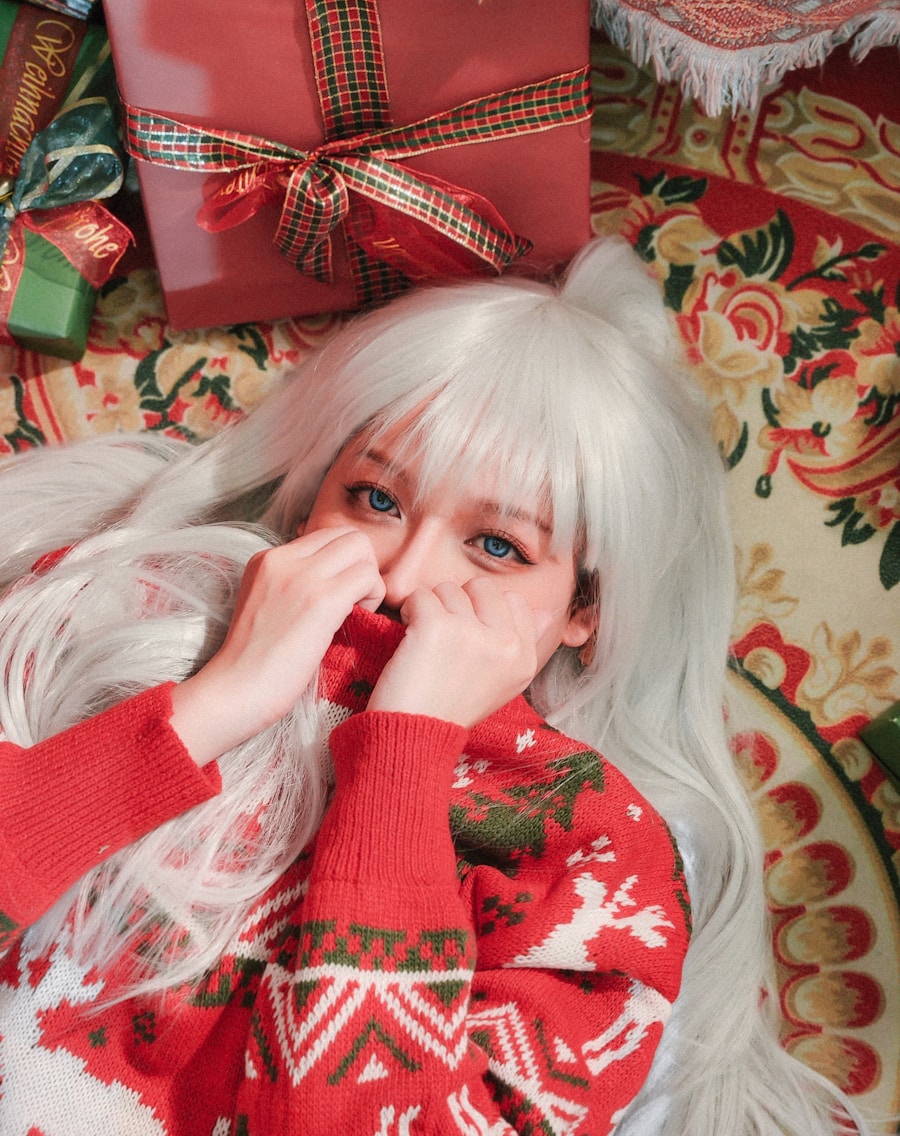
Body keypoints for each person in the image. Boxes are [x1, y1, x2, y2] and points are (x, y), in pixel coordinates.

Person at [0, 238, 874, 1135]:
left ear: (587, 609)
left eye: (499, 547)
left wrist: (402, 764)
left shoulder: (597, 857)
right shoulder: (133, 608)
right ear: (310, 498)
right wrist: (207, 709)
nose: (403, 577)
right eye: (376, 498)